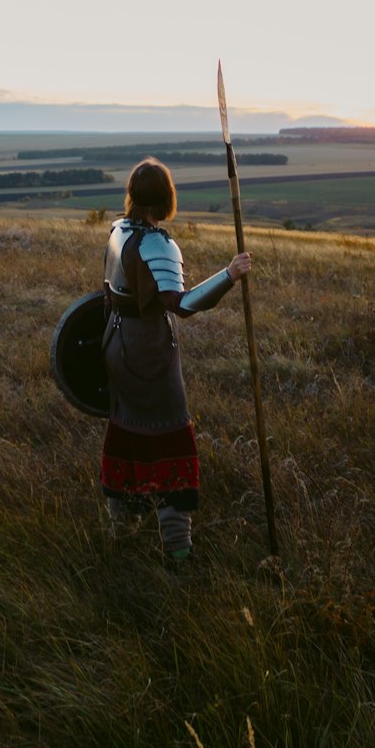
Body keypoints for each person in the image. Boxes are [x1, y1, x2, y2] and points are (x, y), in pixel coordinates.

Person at [100, 157, 252, 565]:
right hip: (149, 356)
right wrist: (229, 275)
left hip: (116, 347)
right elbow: (180, 304)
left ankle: (122, 535)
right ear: (167, 197)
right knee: (169, 442)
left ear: (133, 194)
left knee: (128, 434)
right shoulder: (156, 243)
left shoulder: (117, 231)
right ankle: (178, 553)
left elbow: (108, 295)